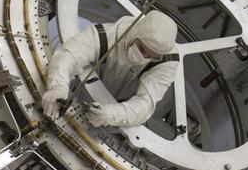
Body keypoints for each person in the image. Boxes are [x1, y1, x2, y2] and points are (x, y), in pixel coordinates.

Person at [42, 11, 180, 127]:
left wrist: (110, 115)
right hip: (77, 91)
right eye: (142, 50)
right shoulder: (108, 35)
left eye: (152, 57)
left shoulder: (167, 61)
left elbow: (145, 105)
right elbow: (69, 55)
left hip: (115, 113)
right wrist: (58, 87)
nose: (144, 58)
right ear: (134, 33)